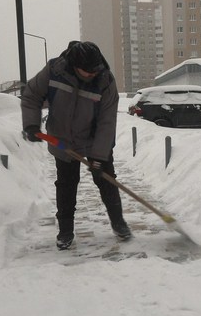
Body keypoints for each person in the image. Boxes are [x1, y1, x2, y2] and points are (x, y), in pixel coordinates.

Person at [21, 41, 132, 250]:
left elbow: (107, 121)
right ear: (73, 64)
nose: (91, 74)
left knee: (107, 181)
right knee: (66, 185)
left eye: (94, 71)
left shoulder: (105, 81)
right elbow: (31, 95)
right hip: (62, 140)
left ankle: (119, 223)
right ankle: (65, 231)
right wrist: (31, 124)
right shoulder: (55, 71)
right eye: (86, 71)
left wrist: (99, 156)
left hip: (94, 140)